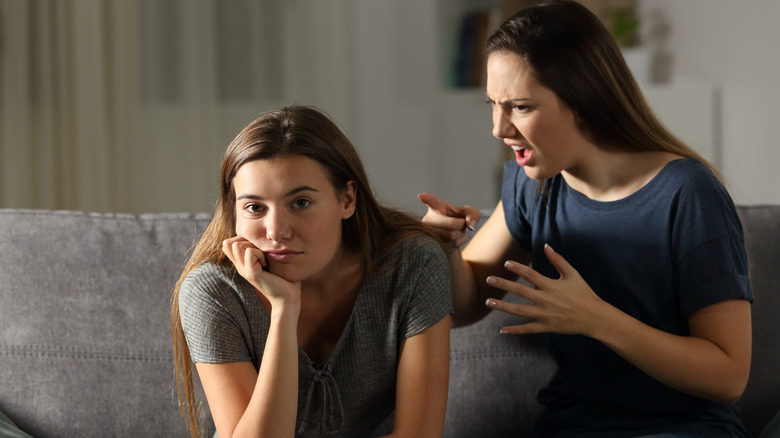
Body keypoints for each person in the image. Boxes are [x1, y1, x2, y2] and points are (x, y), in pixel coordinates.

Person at [419, 1, 753, 437]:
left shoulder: (688, 194)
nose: (498, 129)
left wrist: (599, 320)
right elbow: (463, 307)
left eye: (520, 107)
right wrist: (443, 250)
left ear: (582, 99)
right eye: (493, 104)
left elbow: (729, 376)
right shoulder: (531, 185)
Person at [171, 105, 452, 438]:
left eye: (300, 203)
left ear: (347, 199)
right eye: (255, 207)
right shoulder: (212, 292)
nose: (275, 231)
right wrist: (283, 312)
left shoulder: (412, 265)